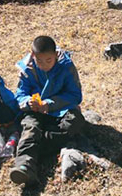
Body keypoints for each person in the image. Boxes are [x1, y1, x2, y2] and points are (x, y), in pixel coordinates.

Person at [9, 36, 85, 185]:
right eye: (39, 61)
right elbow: (20, 94)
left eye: (48, 60)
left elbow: (75, 95)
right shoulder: (27, 68)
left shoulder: (66, 66)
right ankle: (24, 166)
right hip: (35, 111)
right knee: (31, 126)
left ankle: (32, 147)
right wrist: (28, 102)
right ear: (33, 56)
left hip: (60, 110)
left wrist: (49, 104)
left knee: (75, 122)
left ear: (56, 55)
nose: (44, 65)